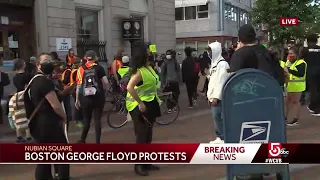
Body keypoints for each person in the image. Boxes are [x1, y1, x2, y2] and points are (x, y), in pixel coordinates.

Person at [25, 53, 69, 180]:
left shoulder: (34, 80)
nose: (48, 63)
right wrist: (64, 116)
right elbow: (55, 105)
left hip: (37, 123)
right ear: (38, 65)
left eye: (49, 61)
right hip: (48, 123)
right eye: (45, 61)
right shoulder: (44, 81)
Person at [126, 41, 161, 176]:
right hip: (137, 106)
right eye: (148, 51)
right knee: (141, 135)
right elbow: (129, 87)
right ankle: (139, 165)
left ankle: (146, 163)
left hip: (150, 103)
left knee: (148, 135)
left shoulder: (149, 68)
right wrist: (139, 103)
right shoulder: (139, 72)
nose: (150, 52)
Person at [75, 50, 109, 144]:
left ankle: (82, 139)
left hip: (85, 98)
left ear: (86, 58)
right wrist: (104, 91)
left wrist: (77, 99)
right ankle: (97, 141)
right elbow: (105, 82)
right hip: (98, 97)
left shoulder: (80, 69)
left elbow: (79, 85)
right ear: (95, 58)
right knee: (97, 119)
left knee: (86, 119)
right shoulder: (99, 68)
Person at [206, 42, 230, 144]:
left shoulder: (222, 64)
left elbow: (221, 81)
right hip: (213, 97)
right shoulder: (214, 64)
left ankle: (223, 137)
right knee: (216, 118)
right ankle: (219, 137)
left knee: (219, 117)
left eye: (210, 51)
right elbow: (213, 80)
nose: (208, 53)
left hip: (219, 98)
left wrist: (216, 97)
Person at [285, 47, 307, 126]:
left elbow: (300, 74)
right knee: (287, 102)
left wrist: (288, 70)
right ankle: (285, 117)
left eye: (291, 53)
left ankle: (295, 119)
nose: (289, 55)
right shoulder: (288, 62)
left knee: (295, 102)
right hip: (289, 85)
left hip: (297, 85)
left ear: (296, 54)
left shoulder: (301, 63)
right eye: (289, 53)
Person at [12, 59, 33, 143]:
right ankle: (28, 136)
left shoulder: (15, 77)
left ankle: (19, 136)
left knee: (18, 115)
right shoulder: (27, 75)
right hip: (25, 96)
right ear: (22, 65)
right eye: (24, 64)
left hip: (17, 96)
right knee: (27, 115)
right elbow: (28, 86)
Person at [305, 34, 320, 115]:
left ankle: (315, 108)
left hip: (310, 72)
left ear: (308, 42)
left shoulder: (305, 50)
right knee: (318, 89)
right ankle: (314, 107)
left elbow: (300, 60)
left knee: (313, 90)